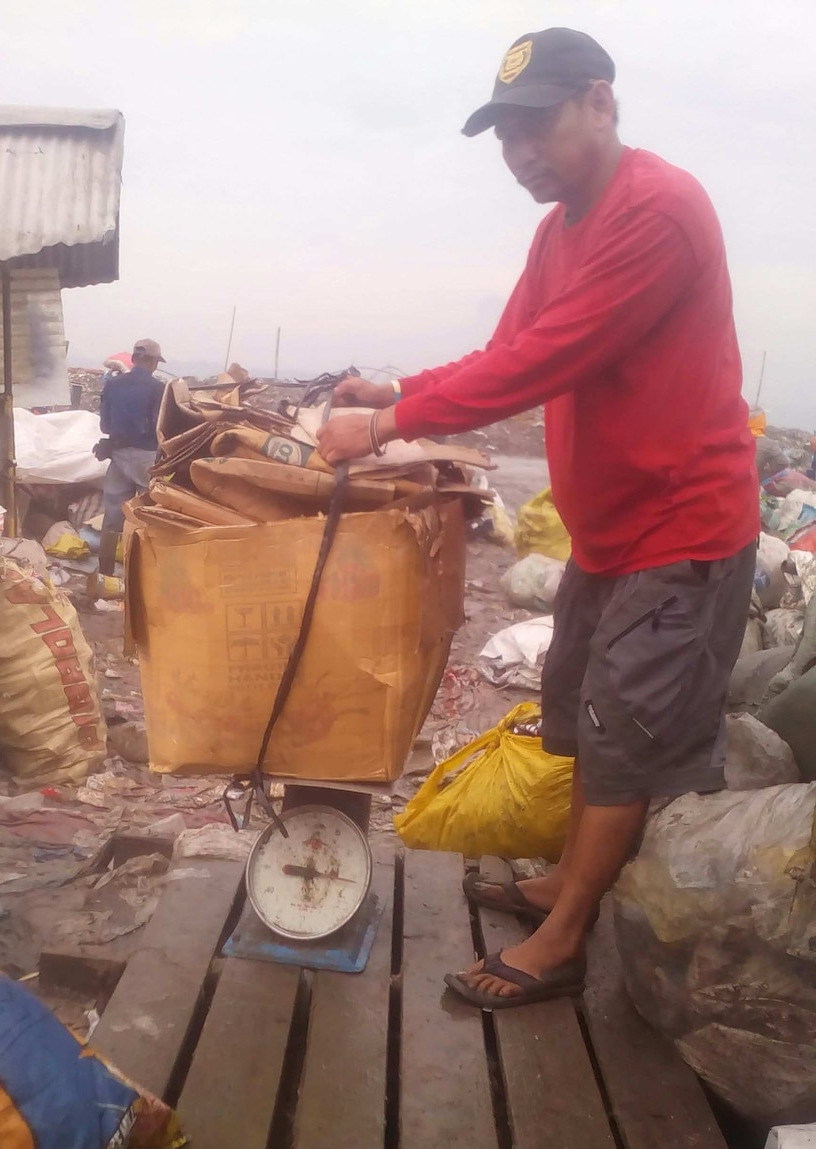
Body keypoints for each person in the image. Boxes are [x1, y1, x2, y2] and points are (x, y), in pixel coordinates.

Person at [317, 27, 759, 1009]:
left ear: (599, 103)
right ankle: (567, 876)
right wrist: (395, 384)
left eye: (536, 128)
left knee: (623, 735)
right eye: (505, 135)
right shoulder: (560, 227)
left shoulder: (656, 211)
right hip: (611, 533)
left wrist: (385, 424)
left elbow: (541, 360)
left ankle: (564, 939)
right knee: (577, 710)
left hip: (679, 531)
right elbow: (507, 344)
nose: (519, 155)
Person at [96, 339, 166, 575]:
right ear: (154, 362)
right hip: (146, 457)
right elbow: (161, 427)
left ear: (134, 359)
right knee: (149, 516)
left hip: (117, 455)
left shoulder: (113, 385)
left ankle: (105, 573)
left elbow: (105, 424)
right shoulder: (159, 389)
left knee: (113, 515)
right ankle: (148, 574)